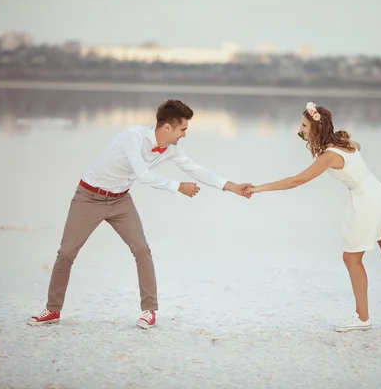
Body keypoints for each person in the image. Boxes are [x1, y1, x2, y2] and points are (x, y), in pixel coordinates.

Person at [27, 99, 252, 329]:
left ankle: (149, 311)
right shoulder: (132, 136)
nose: (184, 134)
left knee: (142, 250)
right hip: (88, 197)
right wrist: (178, 187)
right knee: (66, 253)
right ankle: (53, 310)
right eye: (183, 129)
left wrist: (233, 187)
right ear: (167, 127)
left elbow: (197, 169)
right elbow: (143, 175)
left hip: (120, 200)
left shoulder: (171, 150)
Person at [245, 102, 381, 331]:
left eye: (304, 125)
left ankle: (362, 318)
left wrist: (258, 188)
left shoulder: (329, 155)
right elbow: (358, 144)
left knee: (351, 258)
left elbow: (297, 181)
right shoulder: (344, 143)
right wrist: (345, 137)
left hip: (368, 202)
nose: (302, 130)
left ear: (316, 128)